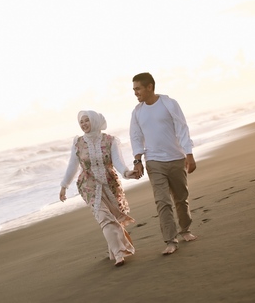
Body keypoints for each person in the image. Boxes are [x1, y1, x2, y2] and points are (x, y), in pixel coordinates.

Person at [129, 72, 197, 255]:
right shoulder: (137, 112)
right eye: (134, 89)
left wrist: (189, 154)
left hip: (176, 158)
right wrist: (138, 160)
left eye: (138, 89)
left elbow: (182, 129)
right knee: (162, 201)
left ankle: (185, 229)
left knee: (181, 198)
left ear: (149, 87)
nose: (135, 93)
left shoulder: (169, 104)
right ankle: (170, 240)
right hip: (154, 161)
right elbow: (136, 137)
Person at [60, 110, 138, 267]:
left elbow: (118, 162)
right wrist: (64, 186)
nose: (84, 124)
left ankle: (113, 251)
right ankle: (119, 254)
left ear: (94, 121)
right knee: (104, 217)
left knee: (114, 217)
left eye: (86, 120)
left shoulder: (110, 140)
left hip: (110, 184)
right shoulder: (78, 143)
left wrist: (127, 173)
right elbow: (72, 166)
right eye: (81, 122)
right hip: (89, 186)